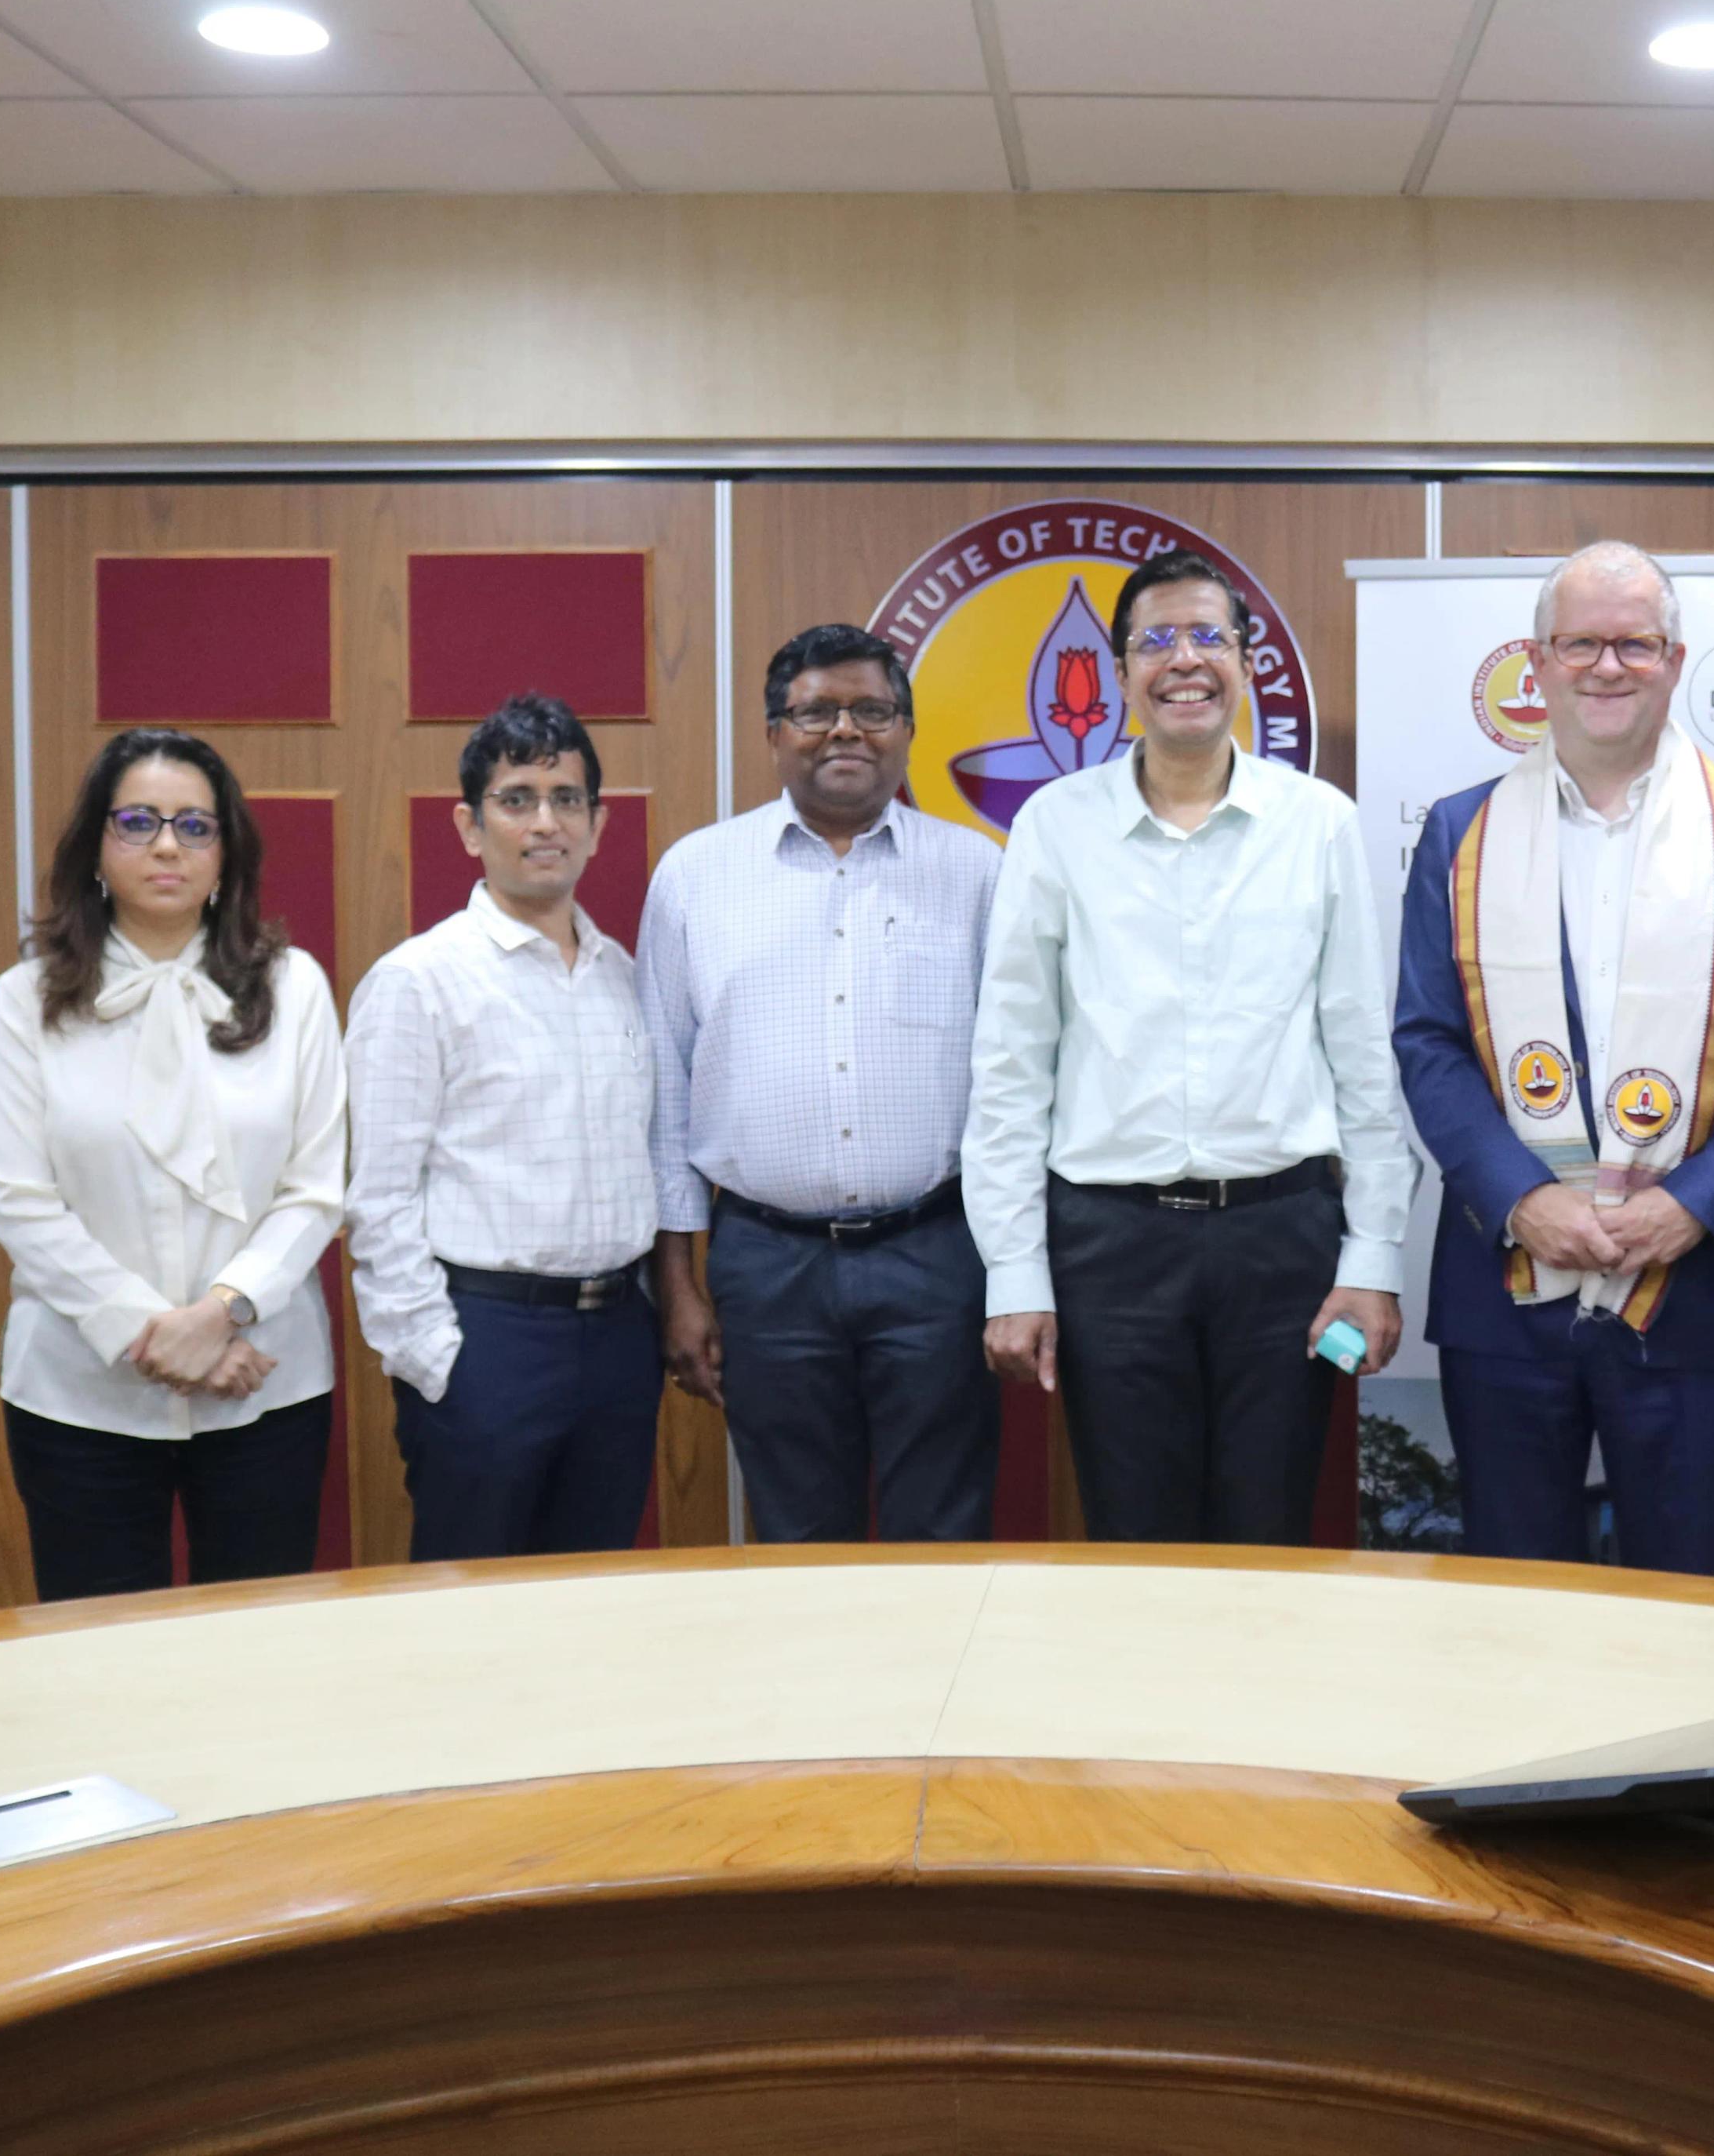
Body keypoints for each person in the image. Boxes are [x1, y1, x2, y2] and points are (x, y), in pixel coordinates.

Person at [1393, 542, 1714, 1577]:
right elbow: (1427, 1039)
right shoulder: (1461, 832)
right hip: (1509, 1289)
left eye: (1635, 643)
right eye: (1581, 643)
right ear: (1538, 662)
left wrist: (1694, 1202)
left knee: (1694, 1602)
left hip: (1700, 1291)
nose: (1607, 666)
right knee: (1512, 1596)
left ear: (1675, 661)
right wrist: (1521, 1197)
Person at [964, 547, 1412, 1544]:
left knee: (1271, 1536)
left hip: (1285, 1243)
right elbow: (1011, 1064)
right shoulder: (1056, 826)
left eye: (1210, 636)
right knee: (1136, 1544)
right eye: (1156, 640)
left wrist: (1373, 1256)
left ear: (1247, 662)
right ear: (1121, 673)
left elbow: (1361, 1055)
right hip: (1109, 1248)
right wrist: (1015, 1272)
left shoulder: (1317, 823)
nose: (1185, 660)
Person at [637, 625, 1003, 1543]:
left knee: (943, 1536)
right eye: (816, 713)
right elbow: (665, 1093)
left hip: (937, 1253)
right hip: (767, 1264)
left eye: (872, 710)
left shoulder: (975, 873)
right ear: (774, 733)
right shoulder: (695, 877)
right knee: (798, 1543)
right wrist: (678, 1285)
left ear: (907, 730)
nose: (846, 730)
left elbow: (1016, 1080)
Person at [0, 728, 345, 1602]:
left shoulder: (295, 989)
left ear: (226, 855)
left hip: (265, 1383)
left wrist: (221, 1314)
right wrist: (164, 1336)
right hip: (81, 1391)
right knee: (100, 1654)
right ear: (97, 848)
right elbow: (21, 1201)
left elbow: (315, 1188)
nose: (168, 846)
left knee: (253, 1646)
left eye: (195, 826)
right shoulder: (28, 999)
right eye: (138, 822)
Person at [344, 694, 660, 1561]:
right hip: (487, 1342)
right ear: (470, 827)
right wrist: (432, 1356)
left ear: (597, 825)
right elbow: (379, 1195)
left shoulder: (623, 977)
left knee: (593, 1601)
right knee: (473, 1612)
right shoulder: (419, 981)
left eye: (567, 799)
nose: (545, 822)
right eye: (517, 799)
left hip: (619, 1338)